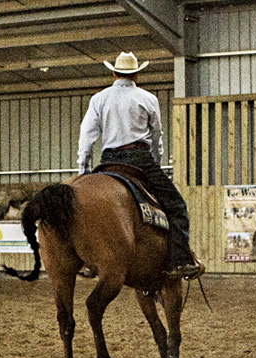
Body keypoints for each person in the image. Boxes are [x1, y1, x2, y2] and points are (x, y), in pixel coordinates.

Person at [77, 51, 203, 280]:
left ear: (114, 73)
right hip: (140, 160)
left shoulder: (99, 99)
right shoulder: (148, 99)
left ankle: (88, 260)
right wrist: (157, 163)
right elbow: (157, 137)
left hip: (109, 161)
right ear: (136, 75)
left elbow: (86, 137)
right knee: (177, 206)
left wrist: (83, 170)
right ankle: (179, 260)